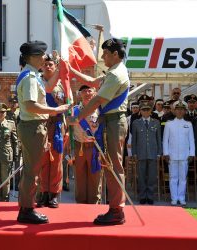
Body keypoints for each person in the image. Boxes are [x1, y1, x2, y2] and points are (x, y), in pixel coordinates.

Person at [68, 38, 129, 225]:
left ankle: (117, 210)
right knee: (110, 165)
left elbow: (96, 101)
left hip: (113, 122)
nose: (103, 57)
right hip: (109, 121)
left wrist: (77, 118)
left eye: (106, 54)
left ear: (115, 55)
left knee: (113, 166)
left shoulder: (115, 75)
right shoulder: (113, 72)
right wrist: (71, 71)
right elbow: (93, 82)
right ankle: (115, 208)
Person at [16, 41, 69, 224]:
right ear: (33, 57)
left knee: (32, 169)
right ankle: (27, 209)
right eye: (42, 56)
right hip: (33, 127)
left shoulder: (31, 75)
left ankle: (25, 206)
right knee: (32, 171)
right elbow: (31, 106)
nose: (44, 59)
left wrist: (60, 69)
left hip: (33, 127)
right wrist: (54, 110)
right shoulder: (30, 77)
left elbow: (47, 88)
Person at [36, 53, 66, 208]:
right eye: (45, 64)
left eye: (51, 64)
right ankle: (43, 192)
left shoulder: (62, 84)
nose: (48, 67)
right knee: (43, 160)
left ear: (55, 67)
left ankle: (54, 194)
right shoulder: (37, 82)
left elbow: (68, 105)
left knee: (56, 161)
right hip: (42, 124)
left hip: (57, 126)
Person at [72, 85, 102, 204]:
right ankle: (80, 204)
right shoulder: (74, 110)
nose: (87, 93)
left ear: (95, 92)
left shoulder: (100, 110)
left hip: (95, 148)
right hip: (79, 146)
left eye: (90, 90)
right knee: (79, 177)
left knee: (95, 177)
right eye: (84, 90)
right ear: (80, 94)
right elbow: (69, 128)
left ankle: (94, 203)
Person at [163, 100, 195, 206]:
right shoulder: (169, 124)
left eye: (182, 109)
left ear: (185, 111)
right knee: (173, 178)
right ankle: (174, 198)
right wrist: (166, 153)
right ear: (174, 111)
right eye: (178, 109)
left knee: (182, 178)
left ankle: (181, 198)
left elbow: (191, 140)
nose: (180, 111)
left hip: (184, 155)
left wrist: (192, 154)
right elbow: (165, 140)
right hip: (172, 155)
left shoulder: (188, 124)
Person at [131, 102, 162, 205]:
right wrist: (134, 153)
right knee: (141, 176)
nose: (146, 112)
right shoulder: (136, 123)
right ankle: (142, 196)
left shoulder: (156, 122)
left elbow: (159, 139)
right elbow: (134, 140)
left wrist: (159, 152)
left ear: (151, 111)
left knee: (152, 176)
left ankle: (150, 196)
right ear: (140, 111)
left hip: (153, 153)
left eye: (148, 110)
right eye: (143, 110)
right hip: (140, 153)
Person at [6, 96, 21, 191]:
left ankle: (18, 184)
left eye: (14, 102)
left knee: (17, 164)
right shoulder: (6, 113)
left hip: (19, 141)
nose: (13, 104)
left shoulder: (21, 113)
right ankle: (10, 184)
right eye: (11, 102)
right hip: (9, 141)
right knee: (9, 164)